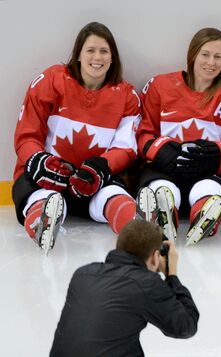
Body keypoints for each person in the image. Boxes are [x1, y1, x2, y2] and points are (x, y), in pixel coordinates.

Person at [12, 22, 142, 254]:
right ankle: (42, 216)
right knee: (28, 185)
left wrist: (102, 166)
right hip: (48, 177)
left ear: (112, 58)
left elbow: (126, 148)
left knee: (113, 192)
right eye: (90, 50)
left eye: (104, 51)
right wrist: (39, 160)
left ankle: (130, 222)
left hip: (91, 182)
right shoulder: (51, 80)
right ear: (78, 55)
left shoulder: (127, 96)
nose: (97, 57)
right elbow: (27, 134)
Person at [136, 27, 221, 244]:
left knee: (210, 189)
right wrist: (160, 151)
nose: (211, 62)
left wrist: (218, 155)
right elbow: (143, 132)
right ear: (193, 54)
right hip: (164, 168)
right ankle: (163, 212)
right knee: (162, 187)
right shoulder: (161, 85)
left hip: (205, 171)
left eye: (218, 57)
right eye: (205, 54)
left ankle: (204, 214)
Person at [50, 219, 199, 356]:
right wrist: (172, 276)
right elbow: (185, 326)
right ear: (155, 256)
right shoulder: (145, 283)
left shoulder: (83, 274)